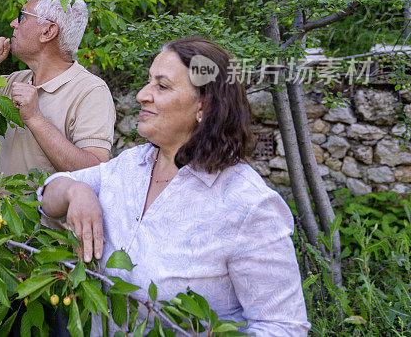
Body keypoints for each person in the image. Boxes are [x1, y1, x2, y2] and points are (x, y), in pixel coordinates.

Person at [39, 37, 310, 336]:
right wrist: (75, 191)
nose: (142, 94)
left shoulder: (247, 203)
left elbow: (284, 327)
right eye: (148, 82)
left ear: (204, 106)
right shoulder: (132, 165)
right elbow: (47, 195)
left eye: (162, 86)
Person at [0, 0, 116, 179]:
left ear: (48, 31)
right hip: (2, 210)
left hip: (47, 211)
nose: (13, 23)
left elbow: (95, 172)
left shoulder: (91, 91)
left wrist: (35, 119)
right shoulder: (13, 81)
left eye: (22, 17)